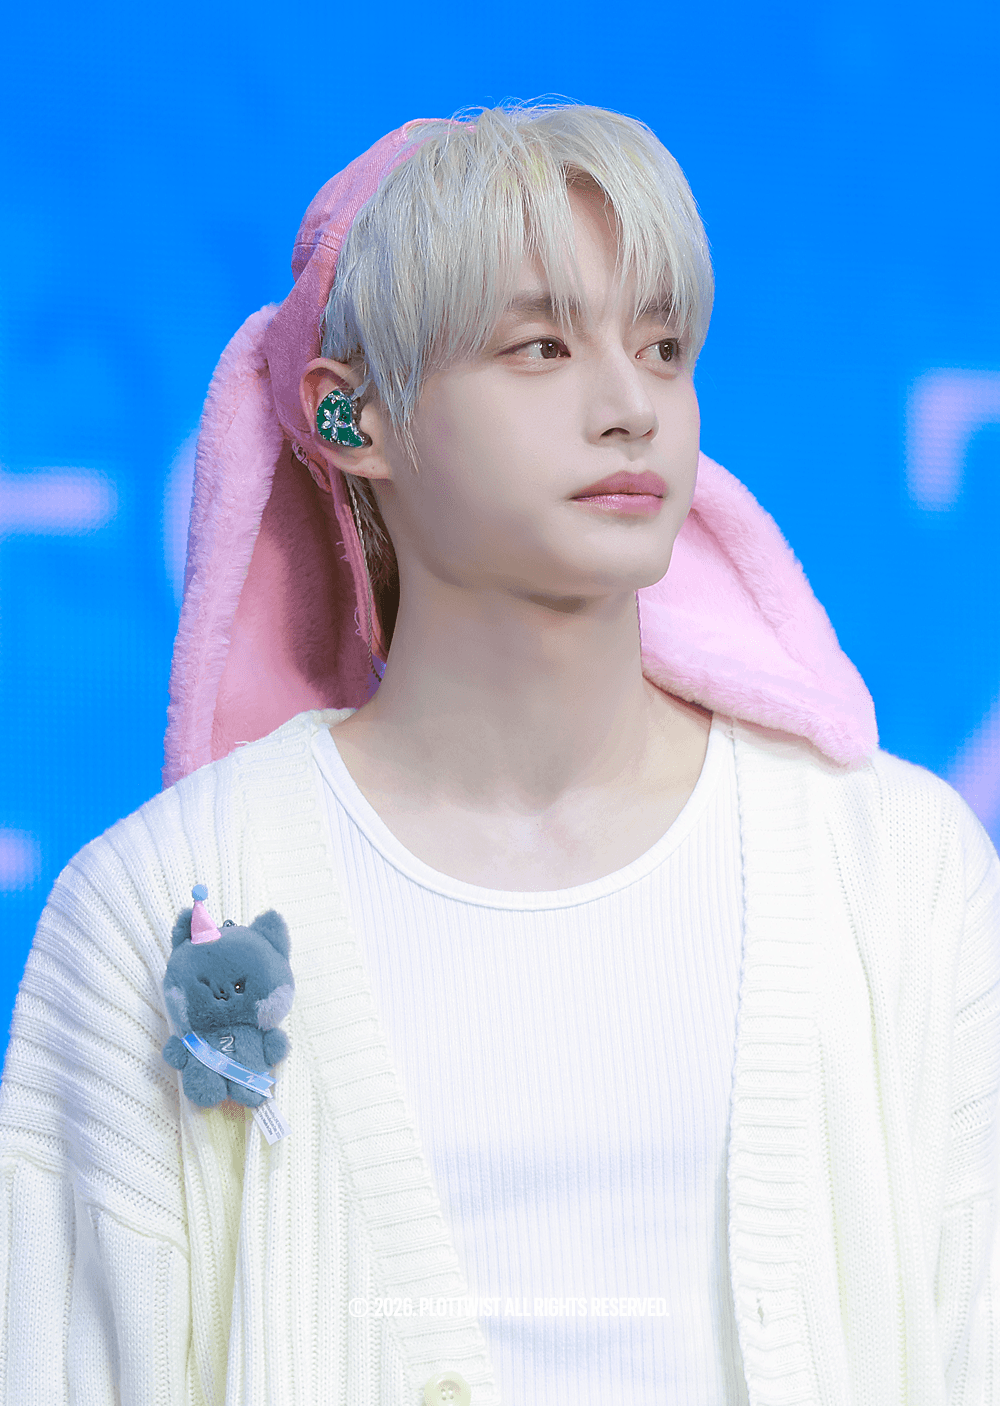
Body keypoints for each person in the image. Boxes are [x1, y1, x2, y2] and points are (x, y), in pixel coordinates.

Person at [1, 103, 998, 1406]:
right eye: (542, 346)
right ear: (351, 417)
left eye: (663, 347)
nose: (630, 407)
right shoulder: (162, 900)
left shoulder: (897, 866)